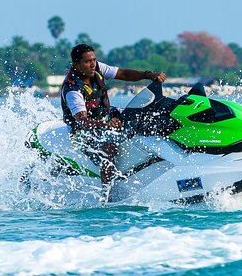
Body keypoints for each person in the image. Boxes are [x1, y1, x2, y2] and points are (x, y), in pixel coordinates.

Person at [60, 44, 166, 201]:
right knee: (108, 148)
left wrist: (148, 75)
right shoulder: (73, 90)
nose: (92, 64)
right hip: (81, 132)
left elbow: (122, 73)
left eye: (94, 60)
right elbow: (82, 122)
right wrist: (107, 125)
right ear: (76, 64)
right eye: (87, 61)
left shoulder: (97, 68)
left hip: (106, 117)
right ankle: (107, 195)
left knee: (145, 114)